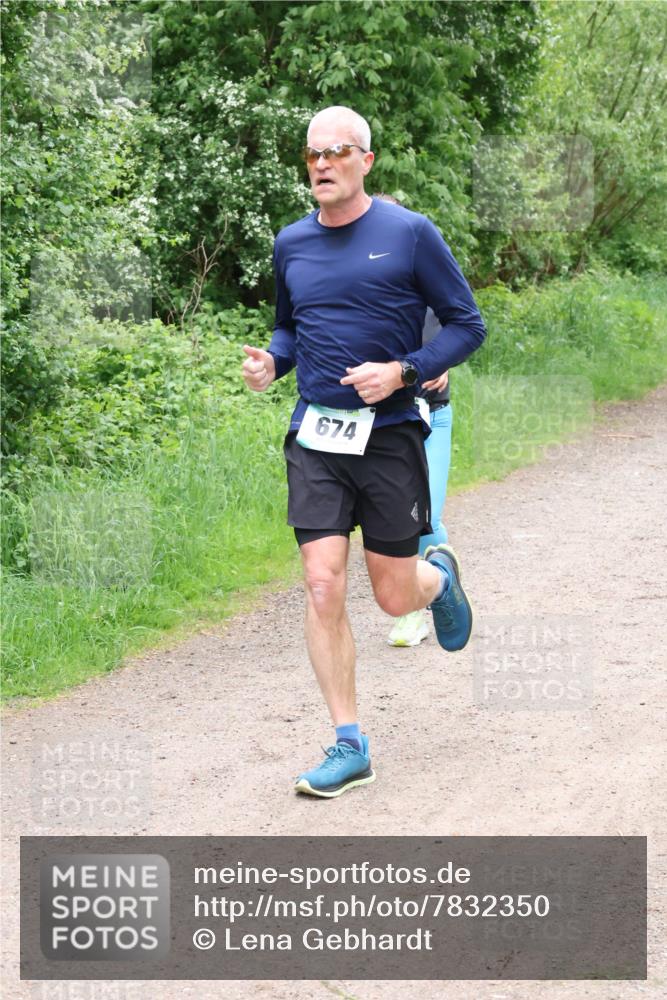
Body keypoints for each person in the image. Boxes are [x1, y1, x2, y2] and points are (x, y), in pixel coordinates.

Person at [242, 106, 486, 798]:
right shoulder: (291, 243)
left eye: (336, 152)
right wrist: (271, 364)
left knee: (391, 595)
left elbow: (467, 326)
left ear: (365, 161)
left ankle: (436, 579)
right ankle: (350, 743)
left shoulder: (408, 234)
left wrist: (403, 371)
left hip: (388, 437)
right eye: (312, 154)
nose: (321, 164)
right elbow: (290, 332)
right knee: (321, 582)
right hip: (316, 436)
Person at [374, 195, 454, 648]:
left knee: (430, 514)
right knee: (395, 520)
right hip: (385, 422)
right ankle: (419, 601)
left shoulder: (429, 266)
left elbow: (461, 322)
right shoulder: (360, 281)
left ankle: (433, 597)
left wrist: (444, 360)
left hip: (433, 413)